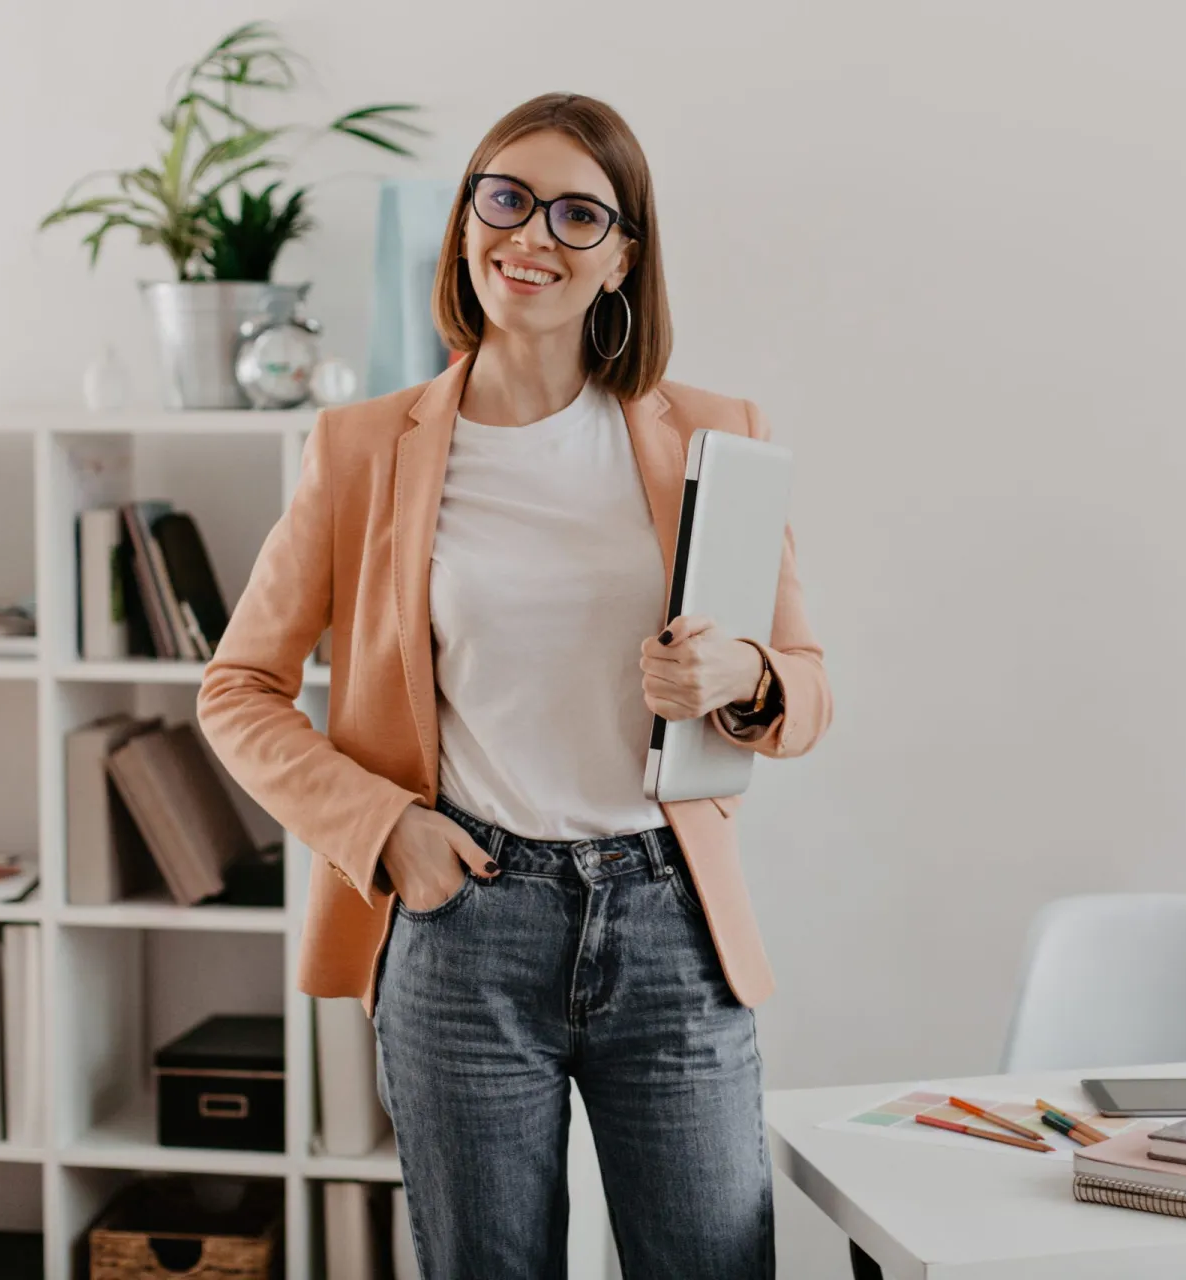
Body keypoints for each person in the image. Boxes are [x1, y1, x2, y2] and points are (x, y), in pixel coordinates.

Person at [198, 91, 832, 1279]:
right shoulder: (359, 448)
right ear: (466, 220)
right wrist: (383, 829)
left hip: (668, 921)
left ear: (622, 258)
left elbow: (804, 683)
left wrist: (739, 671)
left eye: (577, 214)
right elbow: (236, 686)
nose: (530, 234)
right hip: (464, 924)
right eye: (505, 196)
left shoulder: (713, 437)